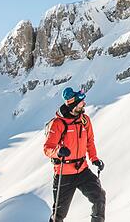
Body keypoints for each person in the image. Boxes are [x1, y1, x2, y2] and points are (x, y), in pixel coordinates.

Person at [44, 87, 106, 222]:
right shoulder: (58, 123)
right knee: (58, 215)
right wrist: (58, 151)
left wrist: (94, 158)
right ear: (73, 105)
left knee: (99, 197)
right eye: (81, 102)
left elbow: (90, 141)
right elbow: (48, 148)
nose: (84, 104)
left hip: (82, 170)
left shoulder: (85, 120)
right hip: (64, 173)